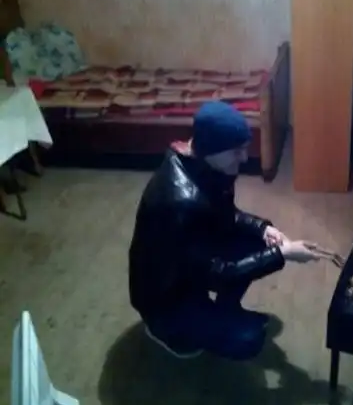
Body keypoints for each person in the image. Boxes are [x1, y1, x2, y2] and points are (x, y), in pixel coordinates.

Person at [128, 101, 317, 360]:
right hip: (166, 297)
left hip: (189, 268)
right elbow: (222, 272)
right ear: (210, 149)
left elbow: (223, 214)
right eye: (236, 151)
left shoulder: (204, 165)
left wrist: (263, 229)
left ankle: (224, 312)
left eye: (244, 148)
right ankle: (167, 332)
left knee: (261, 241)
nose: (245, 157)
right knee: (249, 340)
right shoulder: (181, 202)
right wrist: (284, 254)